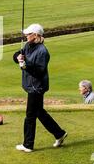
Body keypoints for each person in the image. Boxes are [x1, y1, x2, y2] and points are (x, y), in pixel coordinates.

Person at [13, 24, 68, 153]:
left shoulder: (42, 52)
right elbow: (17, 54)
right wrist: (18, 57)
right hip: (31, 85)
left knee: (30, 116)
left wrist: (25, 66)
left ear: (36, 35)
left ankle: (28, 144)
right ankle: (59, 134)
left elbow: (39, 71)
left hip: (37, 87)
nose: (26, 35)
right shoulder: (28, 46)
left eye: (28, 33)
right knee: (39, 113)